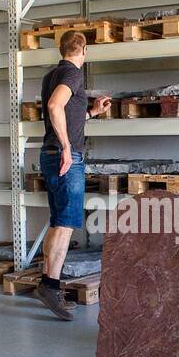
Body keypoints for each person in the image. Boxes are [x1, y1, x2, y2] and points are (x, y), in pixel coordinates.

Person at [34, 30, 111, 320]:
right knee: (65, 224)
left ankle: (47, 284)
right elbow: (55, 106)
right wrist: (67, 147)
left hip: (51, 155)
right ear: (84, 51)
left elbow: (65, 112)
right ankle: (50, 287)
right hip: (66, 158)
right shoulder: (74, 75)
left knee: (58, 222)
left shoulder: (51, 75)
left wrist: (91, 112)